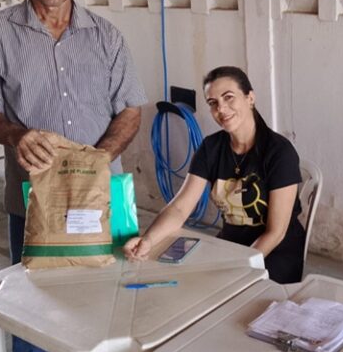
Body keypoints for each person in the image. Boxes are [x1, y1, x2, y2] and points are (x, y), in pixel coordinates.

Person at [0, 0, 147, 352]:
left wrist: (98, 159)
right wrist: (16, 134)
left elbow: (130, 108)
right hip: (34, 195)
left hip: (101, 192)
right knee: (32, 294)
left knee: (113, 284)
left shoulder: (106, 36)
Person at [124, 66, 306, 284]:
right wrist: (148, 240)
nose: (221, 109)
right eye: (213, 103)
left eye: (229, 97)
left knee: (231, 290)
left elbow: (276, 232)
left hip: (276, 251)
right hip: (230, 244)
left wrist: (242, 266)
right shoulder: (211, 148)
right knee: (185, 280)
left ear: (250, 98)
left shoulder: (279, 152)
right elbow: (180, 208)